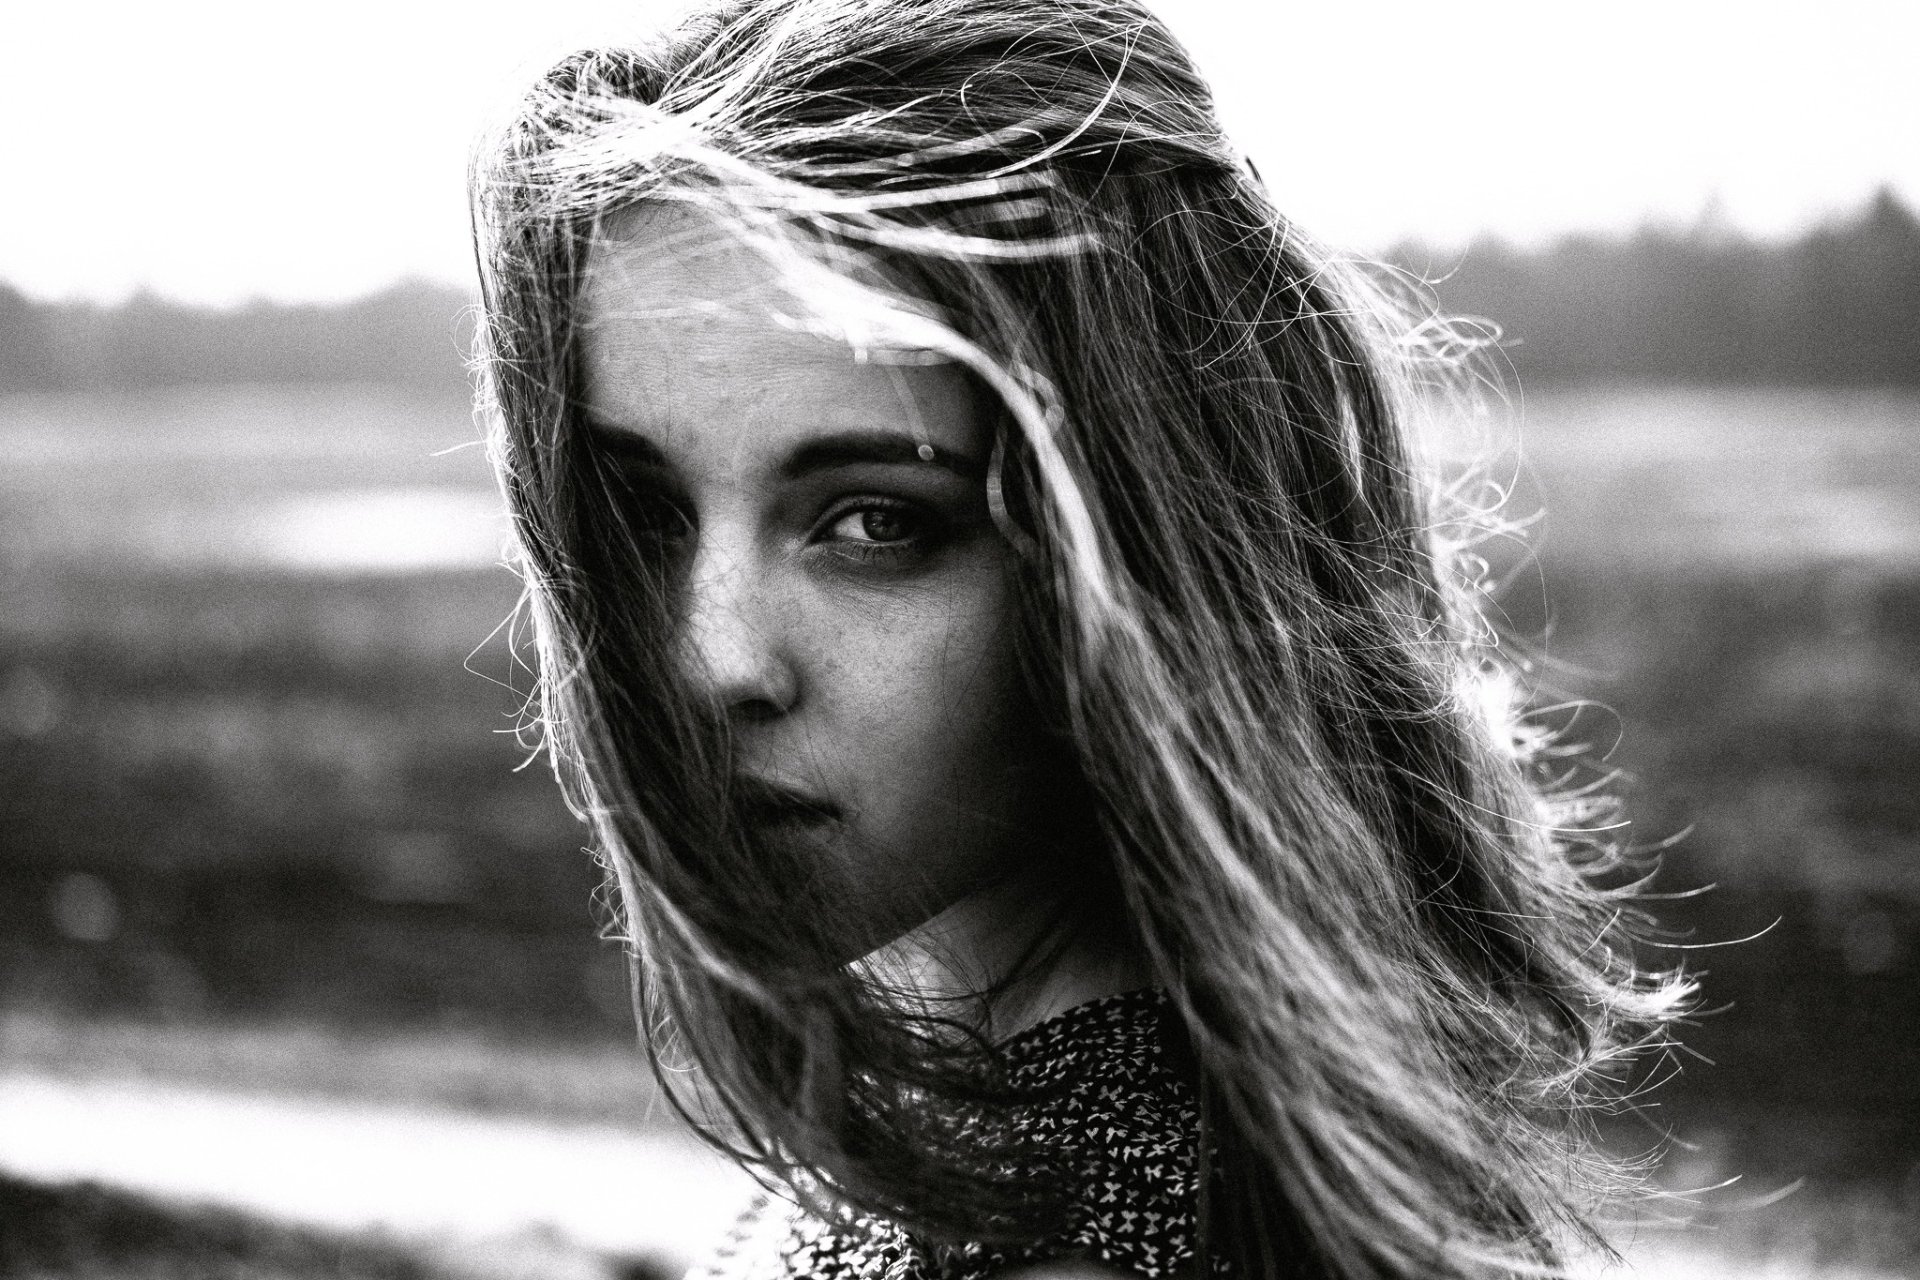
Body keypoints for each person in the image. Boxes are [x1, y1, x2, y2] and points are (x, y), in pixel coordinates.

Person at [468, 1, 1689, 1276]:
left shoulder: (1097, 1225)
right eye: (650, 518)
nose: (710, 661)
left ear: (1142, 546)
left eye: (878, 520)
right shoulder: (1011, 1151)